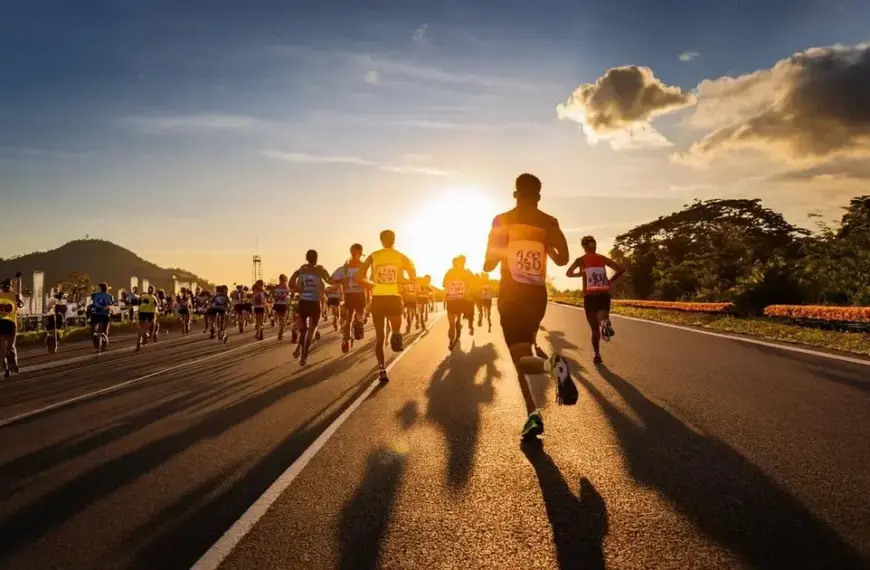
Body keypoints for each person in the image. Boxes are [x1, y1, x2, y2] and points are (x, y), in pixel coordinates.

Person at [484, 172, 577, 439]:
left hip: (512, 295)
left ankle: (534, 409)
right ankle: (534, 408)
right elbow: (562, 259)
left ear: (516, 193)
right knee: (526, 350)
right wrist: (544, 244)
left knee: (519, 358)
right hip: (537, 296)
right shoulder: (549, 222)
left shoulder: (502, 220)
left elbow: (490, 260)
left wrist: (490, 261)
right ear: (539, 194)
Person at [356, 230, 416, 382]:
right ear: (394, 240)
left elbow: (358, 277)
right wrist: (403, 281)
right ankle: (396, 334)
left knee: (380, 338)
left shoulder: (373, 255)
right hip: (394, 297)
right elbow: (412, 273)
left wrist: (372, 285)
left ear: (381, 240)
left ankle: (382, 369)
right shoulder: (401, 256)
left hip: (378, 298)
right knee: (396, 328)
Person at [566, 235, 625, 364]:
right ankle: (604, 322)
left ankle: (597, 354)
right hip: (604, 293)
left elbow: (568, 273)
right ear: (594, 245)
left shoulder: (580, 260)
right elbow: (621, 269)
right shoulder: (602, 258)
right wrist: (610, 281)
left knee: (594, 329)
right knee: (602, 318)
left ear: (584, 247)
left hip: (590, 295)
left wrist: (582, 273)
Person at [290, 250, 332, 366]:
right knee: (311, 332)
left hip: (303, 302)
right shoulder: (320, 270)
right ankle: (304, 356)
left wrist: (299, 289)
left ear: (306, 258)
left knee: (303, 331)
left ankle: (300, 346)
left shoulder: (301, 269)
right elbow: (330, 280)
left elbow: (290, 283)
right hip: (315, 303)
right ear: (317, 259)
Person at [332, 243, 369, 353]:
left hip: (359, 294)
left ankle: (356, 328)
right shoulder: (347, 266)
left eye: (355, 252)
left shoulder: (362, 265)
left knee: (358, 317)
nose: (353, 254)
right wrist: (339, 283)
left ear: (359, 252)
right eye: (352, 252)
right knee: (349, 319)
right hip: (349, 294)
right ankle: (346, 339)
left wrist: (367, 298)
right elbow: (336, 278)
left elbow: (365, 282)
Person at [443, 256, 475, 351]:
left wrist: (468, 284)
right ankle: (451, 341)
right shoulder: (450, 272)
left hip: (461, 300)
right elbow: (444, 283)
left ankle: (455, 338)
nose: (460, 264)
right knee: (452, 323)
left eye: (462, 262)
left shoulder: (466, 272)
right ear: (455, 263)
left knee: (457, 320)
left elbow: (472, 283)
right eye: (458, 262)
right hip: (452, 300)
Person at [0, 279, 25, 377]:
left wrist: (19, 301)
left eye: (5, 287)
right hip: (3, 325)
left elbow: (21, 305)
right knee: (3, 352)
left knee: (9, 348)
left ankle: (11, 365)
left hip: (10, 325)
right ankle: (7, 369)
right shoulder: (13, 294)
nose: (4, 288)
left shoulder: (15, 295)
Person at [89, 282, 115, 352]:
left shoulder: (95, 295)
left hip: (96, 314)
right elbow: (111, 305)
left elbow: (90, 303)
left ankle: (98, 343)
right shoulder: (109, 296)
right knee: (104, 331)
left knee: (94, 330)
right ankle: (103, 343)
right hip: (103, 315)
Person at [135, 286, 158, 351]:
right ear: (153, 291)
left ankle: (138, 343)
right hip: (150, 313)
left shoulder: (143, 296)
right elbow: (156, 305)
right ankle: (145, 334)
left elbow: (139, 303)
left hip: (142, 312)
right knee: (146, 329)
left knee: (140, 328)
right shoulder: (154, 297)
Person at [272, 274, 291, 340]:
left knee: (281, 319)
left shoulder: (277, 287)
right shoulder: (285, 287)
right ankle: (280, 334)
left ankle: (280, 333)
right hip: (283, 305)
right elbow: (288, 295)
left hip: (277, 304)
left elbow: (275, 297)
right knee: (283, 320)